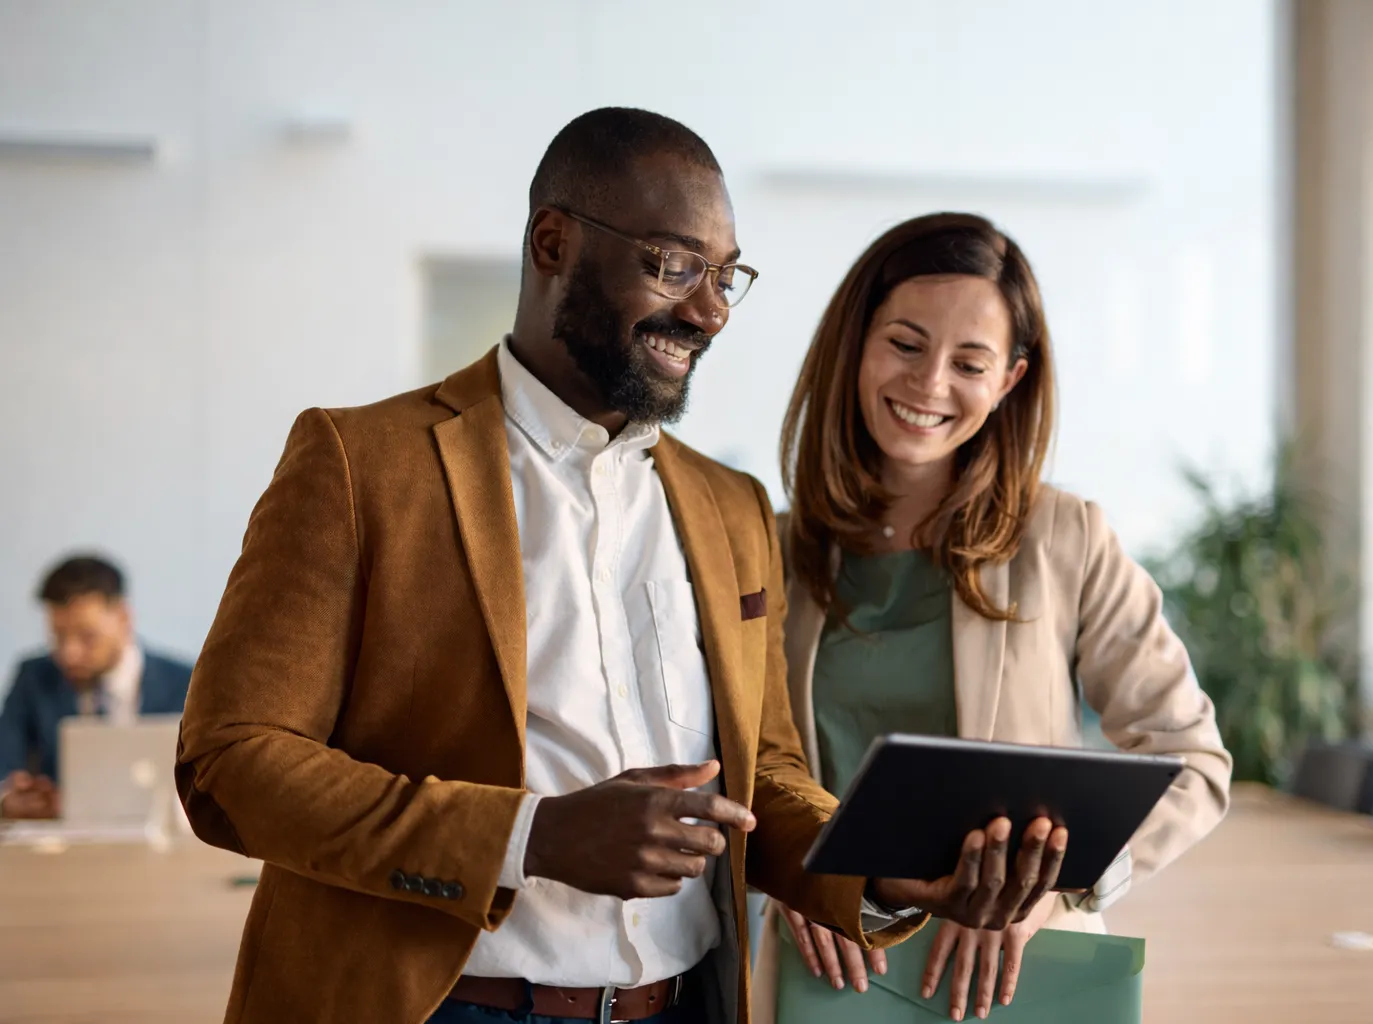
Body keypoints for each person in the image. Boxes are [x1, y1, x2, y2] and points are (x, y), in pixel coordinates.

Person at [175, 110, 1067, 1024]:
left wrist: (880, 870)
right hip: (442, 1005)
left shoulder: (730, 505)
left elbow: (763, 774)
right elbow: (230, 762)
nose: (710, 310)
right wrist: (534, 836)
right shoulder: (363, 463)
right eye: (672, 266)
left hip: (682, 1006)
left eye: (726, 277)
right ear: (553, 242)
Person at [753, 212, 1234, 1022]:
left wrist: (1049, 894)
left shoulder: (1066, 536)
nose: (929, 384)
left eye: (968, 362)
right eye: (905, 344)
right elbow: (732, 774)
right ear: (856, 345)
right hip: (832, 976)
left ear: (1008, 380)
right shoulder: (766, 551)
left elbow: (1194, 760)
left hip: (1017, 978)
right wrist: (794, 875)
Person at [0, 555, 193, 819]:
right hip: (63, 849)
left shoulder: (187, 682)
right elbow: (5, 764)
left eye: (87, 636)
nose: (69, 653)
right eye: (58, 636)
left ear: (124, 618)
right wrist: (8, 798)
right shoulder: (33, 678)